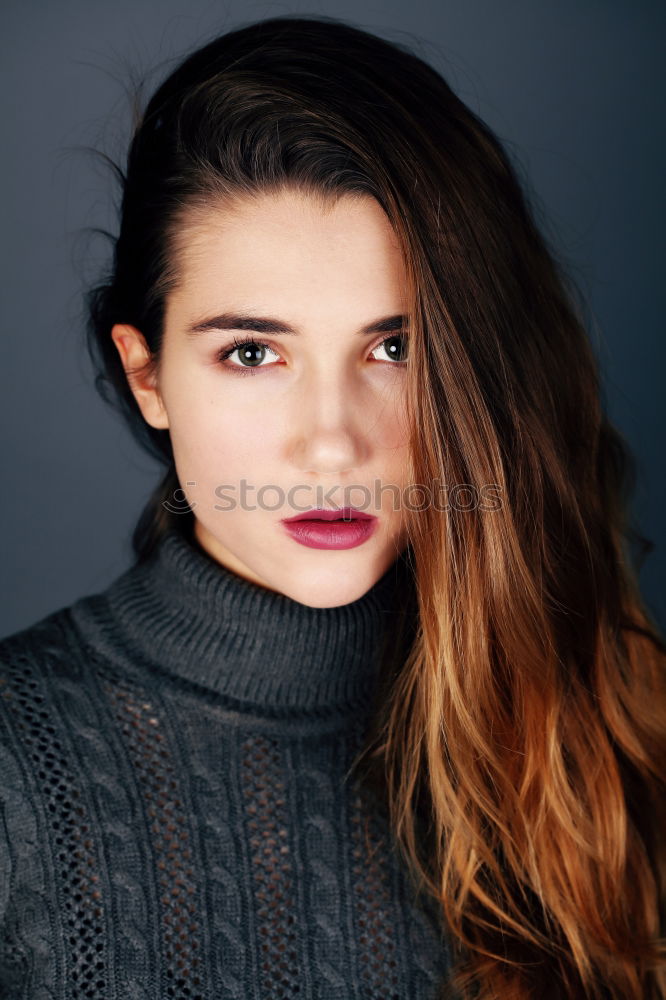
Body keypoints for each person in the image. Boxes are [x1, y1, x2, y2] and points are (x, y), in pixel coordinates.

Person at [0, 13, 664, 1000]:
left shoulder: (604, 735)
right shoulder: (17, 765)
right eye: (252, 353)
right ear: (147, 376)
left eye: (394, 348)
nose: (330, 443)